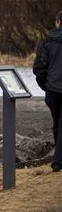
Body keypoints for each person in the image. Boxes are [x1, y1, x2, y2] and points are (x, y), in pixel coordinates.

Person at [32, 10, 62, 172]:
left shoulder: (47, 43)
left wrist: (46, 86)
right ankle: (58, 161)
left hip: (53, 91)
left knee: (57, 124)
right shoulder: (48, 43)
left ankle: (58, 161)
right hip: (53, 89)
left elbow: (39, 68)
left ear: (58, 22)